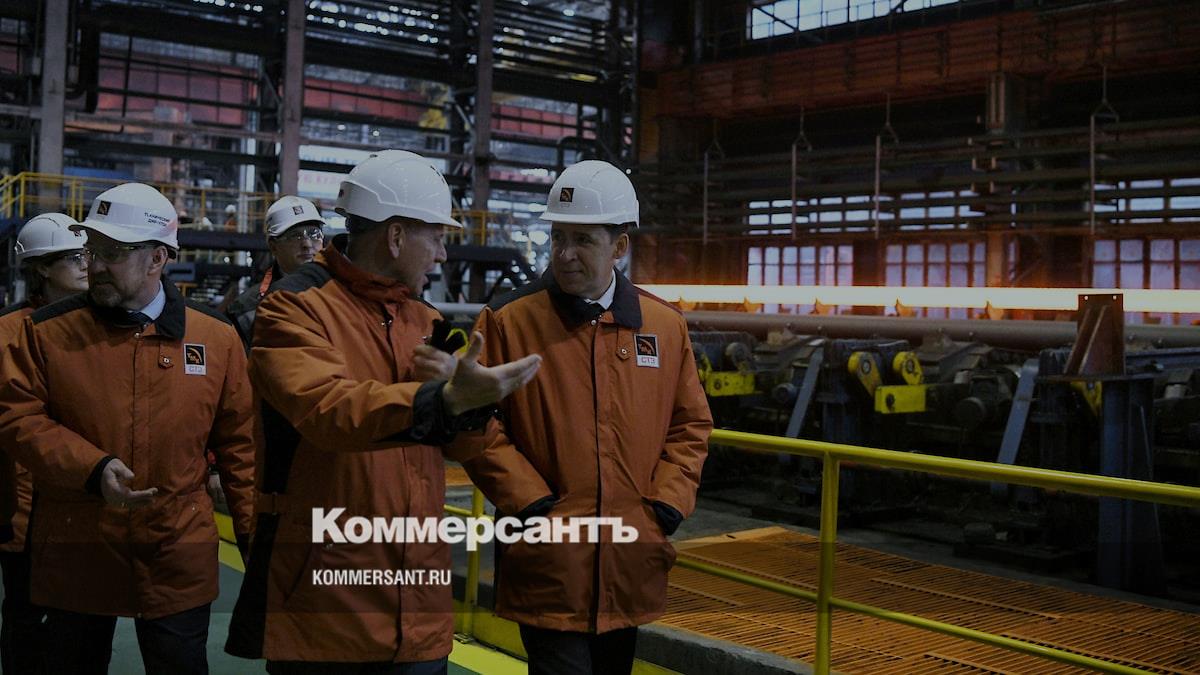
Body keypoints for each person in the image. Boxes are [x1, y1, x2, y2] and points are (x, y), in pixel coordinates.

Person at [225, 149, 541, 674]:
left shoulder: (429, 319)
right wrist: (440, 400)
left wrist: (472, 409)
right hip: (327, 605)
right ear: (395, 236)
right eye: (435, 237)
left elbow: (467, 442)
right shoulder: (292, 306)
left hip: (419, 603)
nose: (442, 254)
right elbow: (329, 410)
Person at [450, 160, 712, 675]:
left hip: (628, 559)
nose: (565, 254)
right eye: (558, 237)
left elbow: (690, 426)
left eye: (583, 240)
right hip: (548, 558)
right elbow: (473, 423)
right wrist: (531, 504)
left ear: (620, 246)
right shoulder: (508, 321)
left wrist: (663, 506)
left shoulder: (663, 326)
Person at [0, 183, 257, 675]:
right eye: (91, 250)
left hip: (175, 551)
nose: (95, 265)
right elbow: (17, 418)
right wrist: (92, 468)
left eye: (112, 253)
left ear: (158, 257)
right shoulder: (46, 333)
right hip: (79, 547)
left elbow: (241, 449)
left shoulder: (216, 340)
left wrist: (255, 547)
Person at [0, 213, 89, 674]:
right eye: (72, 258)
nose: (85, 264)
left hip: (87, 501)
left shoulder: (101, 326)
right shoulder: (8, 332)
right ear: (41, 268)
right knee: (25, 620)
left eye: (86, 254)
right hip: (24, 507)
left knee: (83, 625)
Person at [226, 195, 326, 350]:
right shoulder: (247, 308)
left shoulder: (342, 293)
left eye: (314, 234)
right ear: (273, 247)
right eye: (295, 236)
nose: (307, 244)